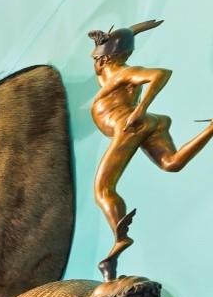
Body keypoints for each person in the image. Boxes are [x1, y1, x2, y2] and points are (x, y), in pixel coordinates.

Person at [88, 20, 212, 276]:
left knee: (103, 189)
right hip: (143, 123)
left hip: (129, 125)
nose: (96, 64)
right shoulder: (108, 76)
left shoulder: (123, 73)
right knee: (171, 163)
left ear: (107, 58)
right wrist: (134, 30)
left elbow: (160, 73)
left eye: (99, 59)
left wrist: (140, 110)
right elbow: (112, 51)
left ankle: (121, 238)